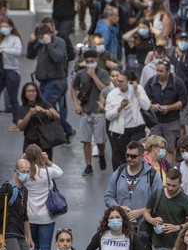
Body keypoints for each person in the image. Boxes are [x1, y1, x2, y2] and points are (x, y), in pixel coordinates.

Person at [25, 23, 72, 143]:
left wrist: (49, 44)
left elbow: (58, 58)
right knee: (48, 108)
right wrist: (32, 42)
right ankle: (66, 130)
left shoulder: (59, 42)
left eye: (42, 36)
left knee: (45, 109)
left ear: (49, 35)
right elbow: (30, 55)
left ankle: (60, 131)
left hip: (55, 81)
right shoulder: (40, 44)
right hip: (43, 82)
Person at [23, 145, 64, 250]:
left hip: (30, 217)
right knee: (45, 248)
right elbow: (60, 172)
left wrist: (23, 158)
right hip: (47, 216)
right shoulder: (47, 171)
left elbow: (16, 172)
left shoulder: (25, 174)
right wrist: (48, 161)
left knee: (33, 247)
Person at [71, 49, 110, 177]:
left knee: (100, 140)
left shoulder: (103, 73)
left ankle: (102, 154)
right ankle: (88, 165)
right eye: (87, 62)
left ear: (96, 60)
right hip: (85, 111)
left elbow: (105, 89)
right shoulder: (81, 73)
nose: (89, 64)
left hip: (99, 112)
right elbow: (73, 87)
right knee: (86, 141)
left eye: (92, 61)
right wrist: (76, 103)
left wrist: (93, 76)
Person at [144, 60, 188, 165]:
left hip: (172, 121)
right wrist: (151, 106)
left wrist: (169, 108)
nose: (158, 73)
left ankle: (168, 173)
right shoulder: (151, 82)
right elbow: (145, 99)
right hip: (155, 121)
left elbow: (183, 101)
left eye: (161, 71)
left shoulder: (177, 82)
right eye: (157, 70)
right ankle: (155, 171)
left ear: (168, 71)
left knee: (170, 148)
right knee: (154, 148)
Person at [105, 70, 151, 169]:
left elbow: (146, 106)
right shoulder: (112, 94)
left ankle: (137, 177)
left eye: (121, 81)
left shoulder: (138, 89)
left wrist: (136, 93)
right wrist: (120, 107)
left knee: (136, 155)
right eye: (117, 80)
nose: (118, 83)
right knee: (122, 156)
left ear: (129, 81)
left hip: (137, 129)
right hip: (120, 131)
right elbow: (108, 115)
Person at [16, 82, 61, 161]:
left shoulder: (44, 104)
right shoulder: (21, 108)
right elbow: (20, 127)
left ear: (37, 92)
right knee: (30, 168)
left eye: (33, 91)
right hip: (30, 144)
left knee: (46, 168)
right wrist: (29, 114)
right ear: (24, 94)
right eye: (28, 91)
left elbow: (57, 116)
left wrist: (44, 111)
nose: (31, 93)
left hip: (45, 142)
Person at [0, 18, 22, 132]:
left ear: (11, 27)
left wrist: (4, 50)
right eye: (1, 26)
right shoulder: (1, 38)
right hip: (1, 70)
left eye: (5, 26)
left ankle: (16, 121)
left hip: (12, 70)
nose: (3, 29)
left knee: (13, 97)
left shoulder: (15, 39)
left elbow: (18, 52)